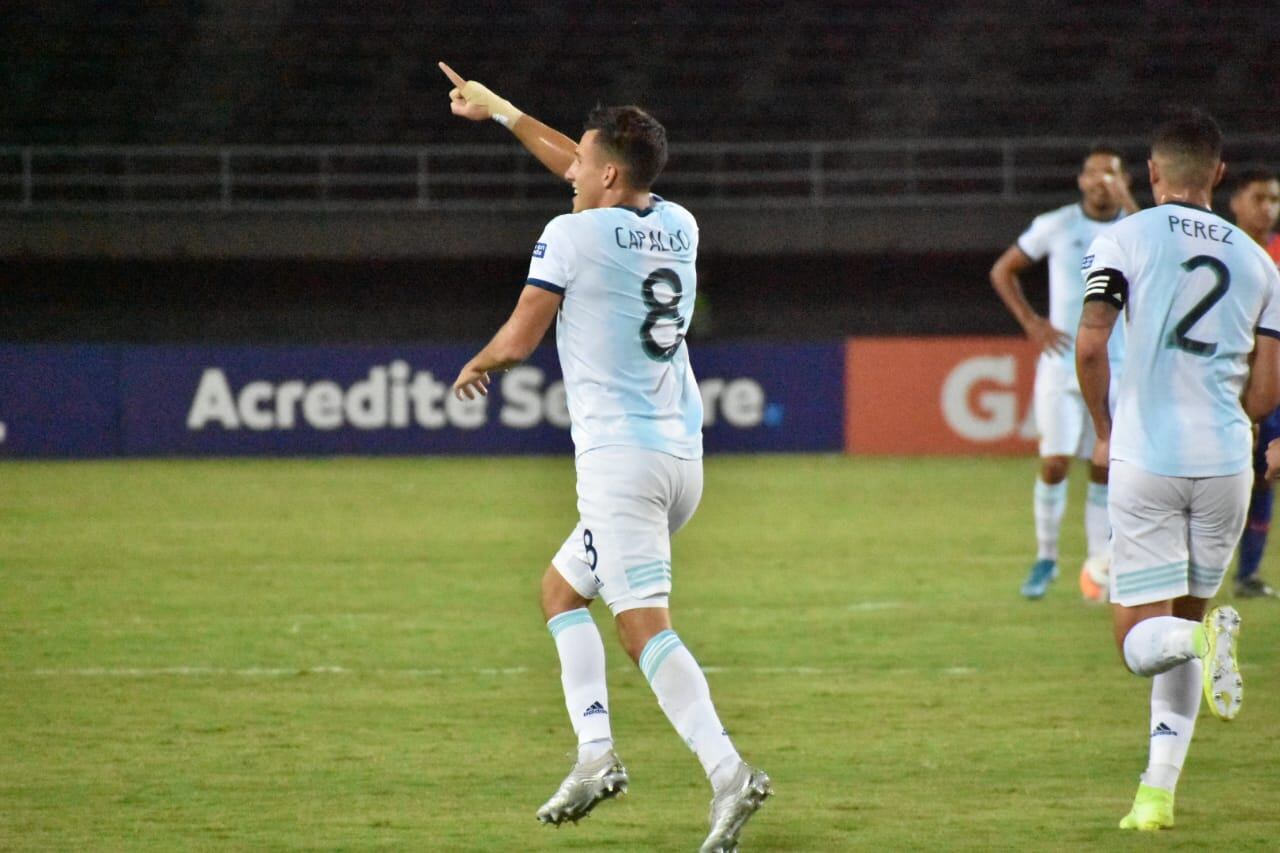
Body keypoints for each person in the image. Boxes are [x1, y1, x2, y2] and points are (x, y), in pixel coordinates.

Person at [440, 62, 771, 853]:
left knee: (642, 629)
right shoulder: (679, 223)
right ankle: (596, 754)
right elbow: (587, 173)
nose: (570, 174)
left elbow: (521, 336)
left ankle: (730, 773)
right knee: (560, 591)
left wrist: (478, 362)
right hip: (679, 460)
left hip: (621, 463)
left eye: (583, 164)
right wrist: (505, 111)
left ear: (609, 173)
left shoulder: (570, 234)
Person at [1076, 109, 1280, 831]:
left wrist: (1104, 429)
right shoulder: (1261, 262)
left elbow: (1093, 343)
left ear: (1152, 173)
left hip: (1148, 454)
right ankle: (1155, 796)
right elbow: (1265, 391)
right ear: (1219, 176)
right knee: (1188, 616)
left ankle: (1200, 640)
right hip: (1226, 460)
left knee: (1141, 642)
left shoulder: (1124, 237)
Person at [991, 147, 1139, 601]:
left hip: (1118, 366)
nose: (1101, 182)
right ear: (1080, 181)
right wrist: (1033, 323)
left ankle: (1099, 565)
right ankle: (1047, 557)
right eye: (1093, 174)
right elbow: (1003, 270)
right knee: (1055, 463)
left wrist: (1131, 204)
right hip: (1061, 366)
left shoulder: (1137, 228)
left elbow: (1164, 259)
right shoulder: (1057, 225)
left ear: (1124, 180)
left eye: (1110, 174)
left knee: (1105, 467)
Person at [1227, 167, 1280, 598]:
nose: (1268, 208)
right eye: (1259, 198)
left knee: (1264, 475)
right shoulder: (1219, 250)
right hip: (1223, 383)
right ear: (1236, 202)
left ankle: (1247, 574)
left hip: (1270, 384)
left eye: (1274, 200)